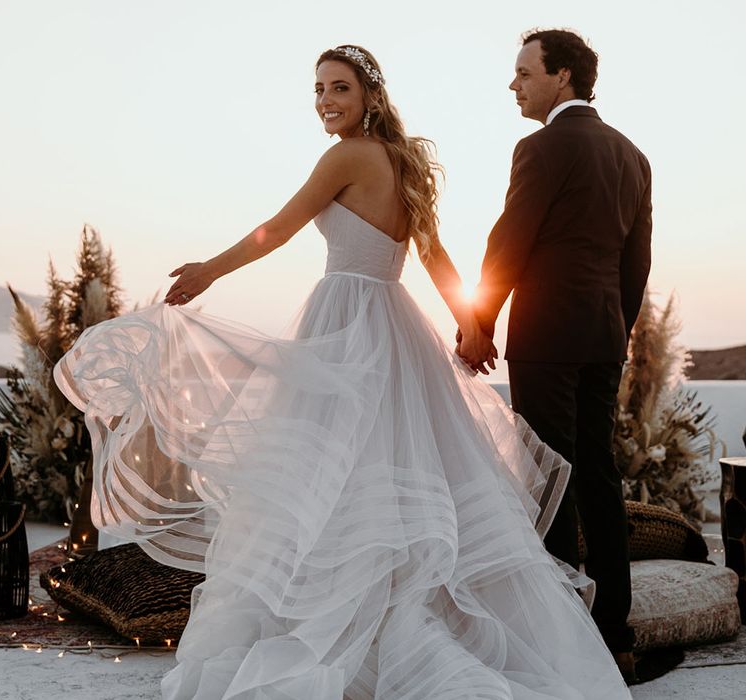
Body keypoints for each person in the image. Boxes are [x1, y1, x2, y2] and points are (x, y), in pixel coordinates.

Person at [55, 45, 631, 698]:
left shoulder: (345, 156)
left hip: (348, 319)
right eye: (320, 89)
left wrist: (208, 270)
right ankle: (405, 606)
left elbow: (279, 228)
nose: (326, 101)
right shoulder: (406, 160)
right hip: (400, 324)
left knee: (335, 475)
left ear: (369, 97)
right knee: (396, 470)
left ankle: (354, 619)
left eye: (340, 89)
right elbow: (435, 255)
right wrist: (466, 322)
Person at [458, 29, 652, 681]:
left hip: (546, 333)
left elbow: (511, 238)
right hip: (601, 333)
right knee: (597, 472)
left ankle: (562, 636)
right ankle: (615, 633)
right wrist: (615, 331)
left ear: (562, 77)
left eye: (523, 73)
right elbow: (636, 263)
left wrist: (478, 321)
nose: (513, 85)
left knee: (548, 473)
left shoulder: (540, 147)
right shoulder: (632, 155)